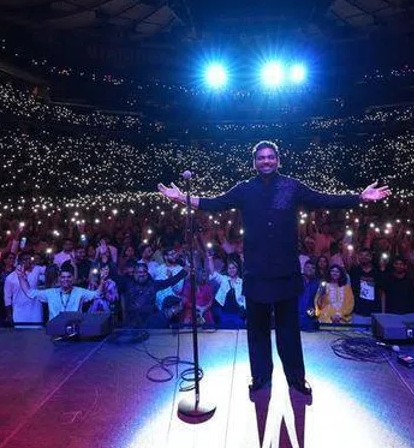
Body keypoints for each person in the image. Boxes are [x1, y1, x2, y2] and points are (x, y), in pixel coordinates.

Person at [158, 140, 390, 398]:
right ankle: (260, 378)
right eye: (261, 158)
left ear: (278, 160)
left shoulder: (292, 186)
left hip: (285, 274)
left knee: (288, 331)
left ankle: (296, 379)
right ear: (254, 162)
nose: (266, 161)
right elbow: (215, 202)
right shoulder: (245, 189)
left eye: (270, 157)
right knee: (257, 332)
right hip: (256, 274)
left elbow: (323, 198)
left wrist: (360, 197)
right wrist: (181, 197)